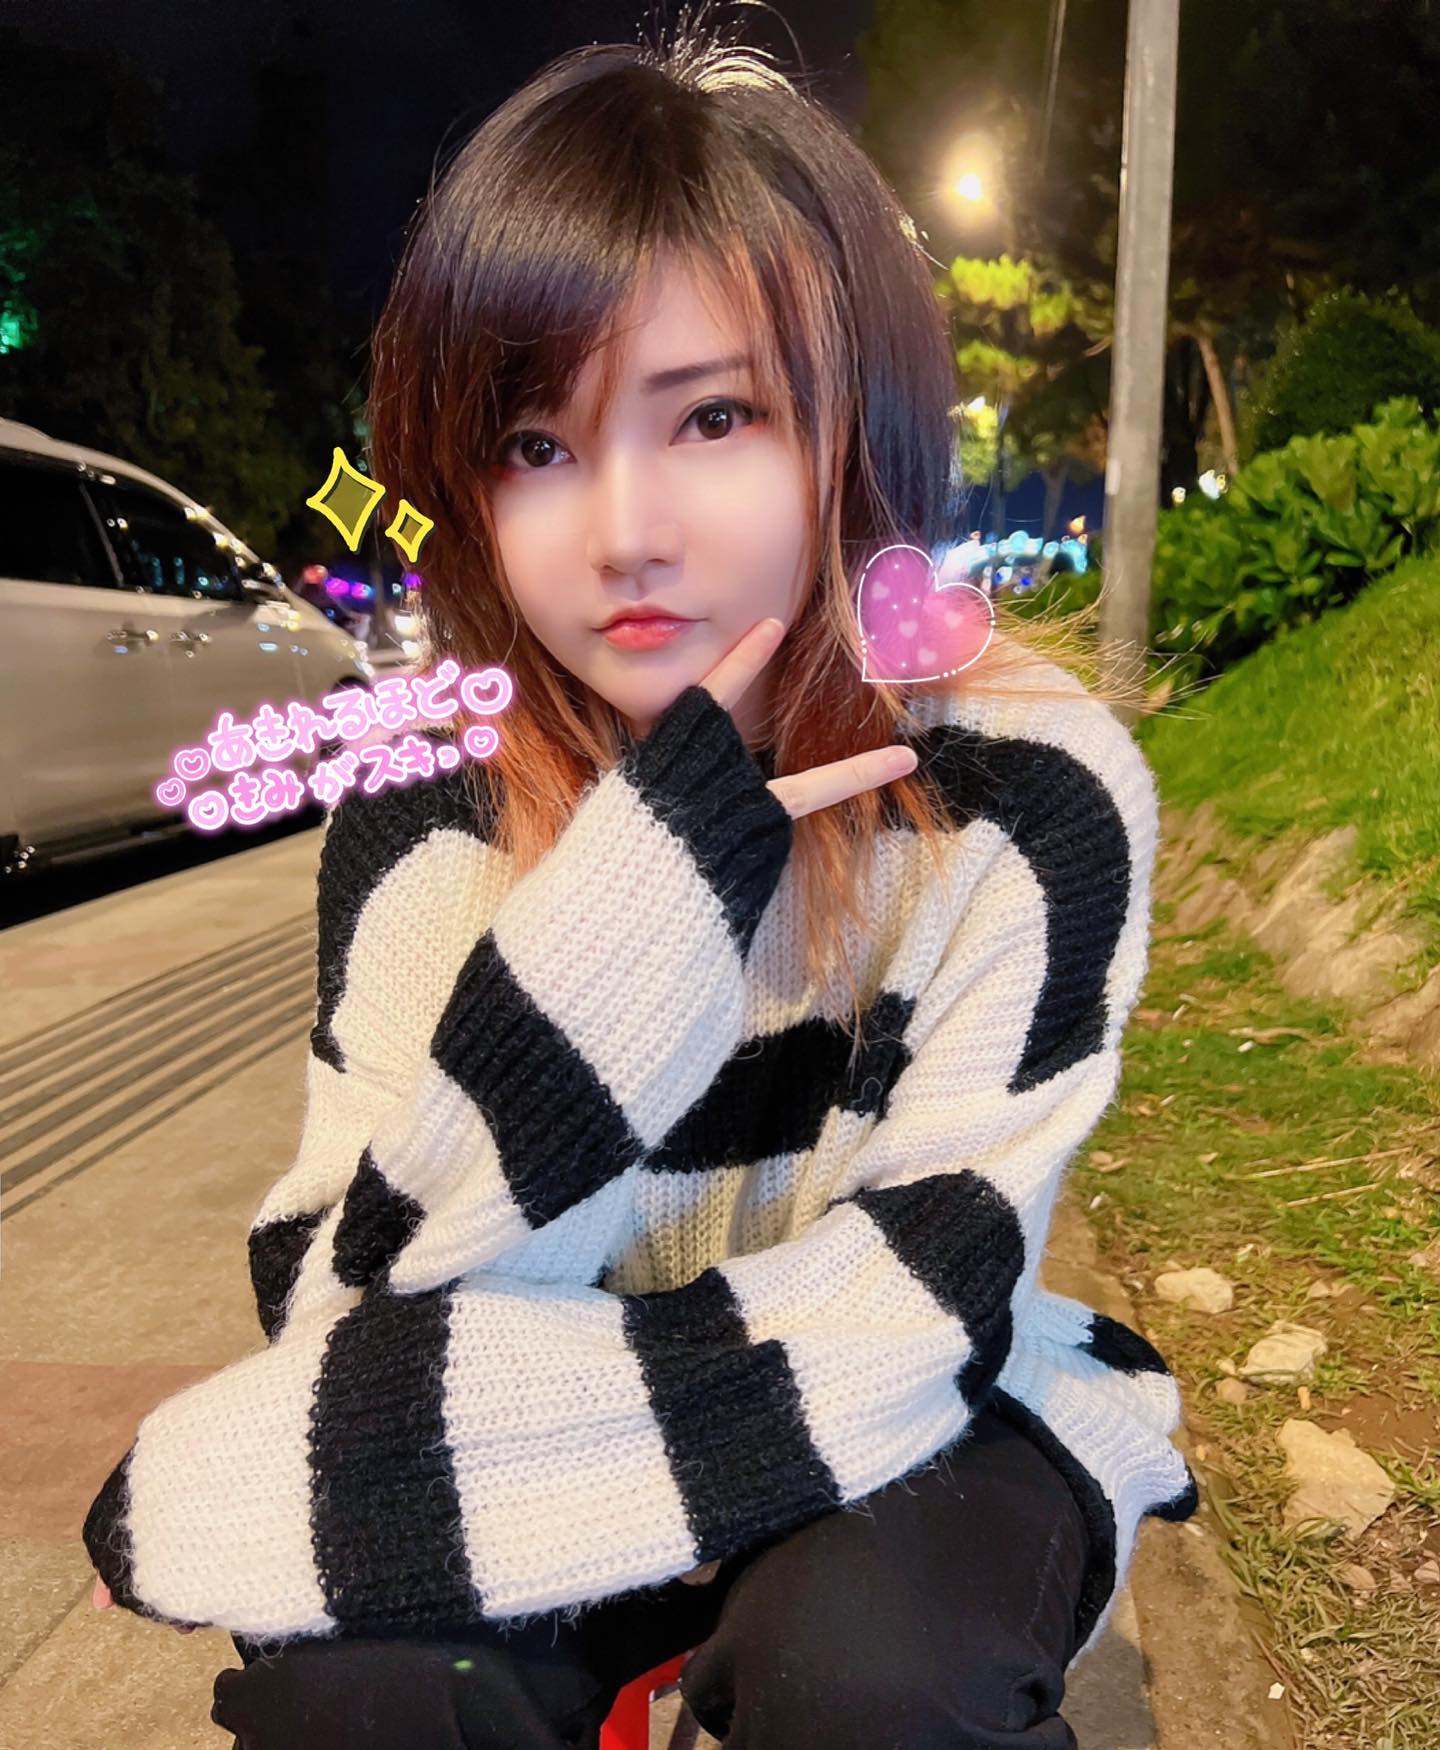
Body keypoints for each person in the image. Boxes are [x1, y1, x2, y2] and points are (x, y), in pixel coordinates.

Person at [85, 15, 1198, 1747]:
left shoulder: (1026, 788)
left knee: (869, 1666)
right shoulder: (427, 816)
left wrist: (314, 1479)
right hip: (547, 1399)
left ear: (854, 428)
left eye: (715, 416)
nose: (622, 532)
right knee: (373, 1692)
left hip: (920, 1394)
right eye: (537, 444)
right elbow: (349, 1300)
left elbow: (916, 1304)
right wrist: (648, 894)